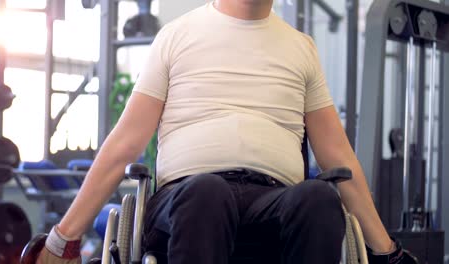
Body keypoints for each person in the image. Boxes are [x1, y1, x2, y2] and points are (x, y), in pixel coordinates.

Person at [36, 0, 418, 263]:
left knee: (319, 197)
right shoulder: (176, 36)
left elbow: (338, 156)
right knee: (208, 191)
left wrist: (386, 251)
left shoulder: (302, 48)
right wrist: (63, 238)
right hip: (187, 199)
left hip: (274, 199)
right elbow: (123, 144)